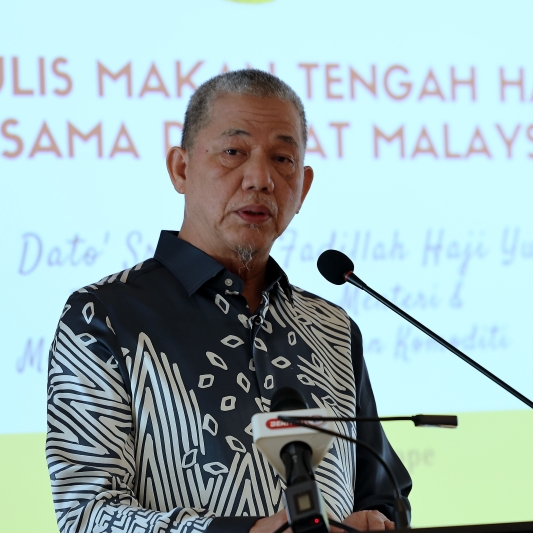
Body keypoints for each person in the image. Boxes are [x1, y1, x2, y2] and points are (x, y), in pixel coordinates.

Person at [45, 69, 411, 533]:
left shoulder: (332, 328)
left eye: (283, 158)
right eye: (233, 152)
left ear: (304, 186)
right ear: (180, 168)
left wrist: (376, 524)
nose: (260, 178)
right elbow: (88, 517)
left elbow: (384, 495)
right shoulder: (103, 317)